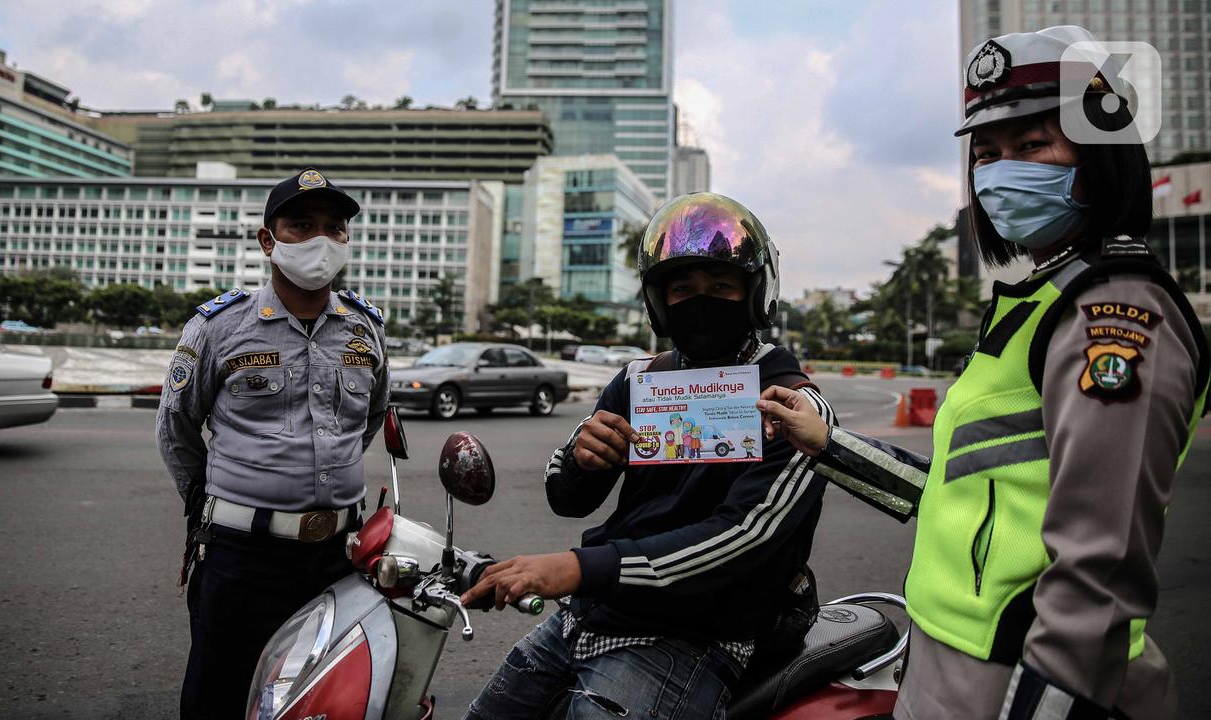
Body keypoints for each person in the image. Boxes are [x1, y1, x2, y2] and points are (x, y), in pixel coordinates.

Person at [756, 26, 1208, 720]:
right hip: (948, 663)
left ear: (1102, 152)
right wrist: (827, 444)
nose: (1002, 172)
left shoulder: (1113, 313)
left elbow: (1100, 575)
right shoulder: (1042, 301)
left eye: (1033, 145)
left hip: (1022, 683)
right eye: (988, 154)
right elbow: (960, 490)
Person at [460, 193, 834, 719]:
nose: (701, 303)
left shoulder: (794, 405)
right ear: (659, 302)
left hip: (696, 637)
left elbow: (744, 537)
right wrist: (584, 461)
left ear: (754, 292)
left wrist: (578, 568)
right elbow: (565, 496)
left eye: (721, 286)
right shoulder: (642, 380)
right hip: (588, 613)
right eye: (682, 289)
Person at [155, 168, 389, 719]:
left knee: (325, 701)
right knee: (220, 697)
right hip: (243, 557)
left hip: (337, 557)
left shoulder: (365, 328)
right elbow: (176, 428)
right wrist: (210, 500)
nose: (320, 240)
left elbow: (370, 419)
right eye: (301, 225)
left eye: (334, 228)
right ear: (268, 240)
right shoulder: (219, 326)